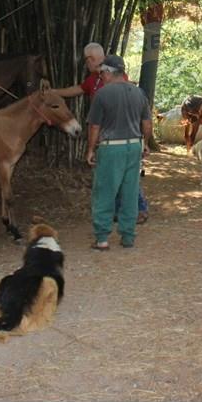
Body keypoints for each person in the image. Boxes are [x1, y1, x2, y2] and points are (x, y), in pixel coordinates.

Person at [55, 42, 149, 224]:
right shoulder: (93, 79)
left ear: (91, 59)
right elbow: (78, 89)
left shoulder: (115, 74)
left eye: (86, 60)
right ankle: (118, 211)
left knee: (125, 176)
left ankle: (138, 209)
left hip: (120, 133)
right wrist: (54, 92)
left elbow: (131, 107)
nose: (86, 64)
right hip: (108, 136)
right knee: (112, 175)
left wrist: (142, 140)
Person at [85, 54, 152, 250]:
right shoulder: (139, 93)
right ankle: (128, 236)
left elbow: (94, 127)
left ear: (108, 72)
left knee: (105, 191)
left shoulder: (102, 94)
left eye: (102, 73)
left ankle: (102, 238)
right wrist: (145, 143)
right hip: (133, 146)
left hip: (111, 147)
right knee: (130, 191)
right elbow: (147, 124)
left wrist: (90, 149)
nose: (101, 77)